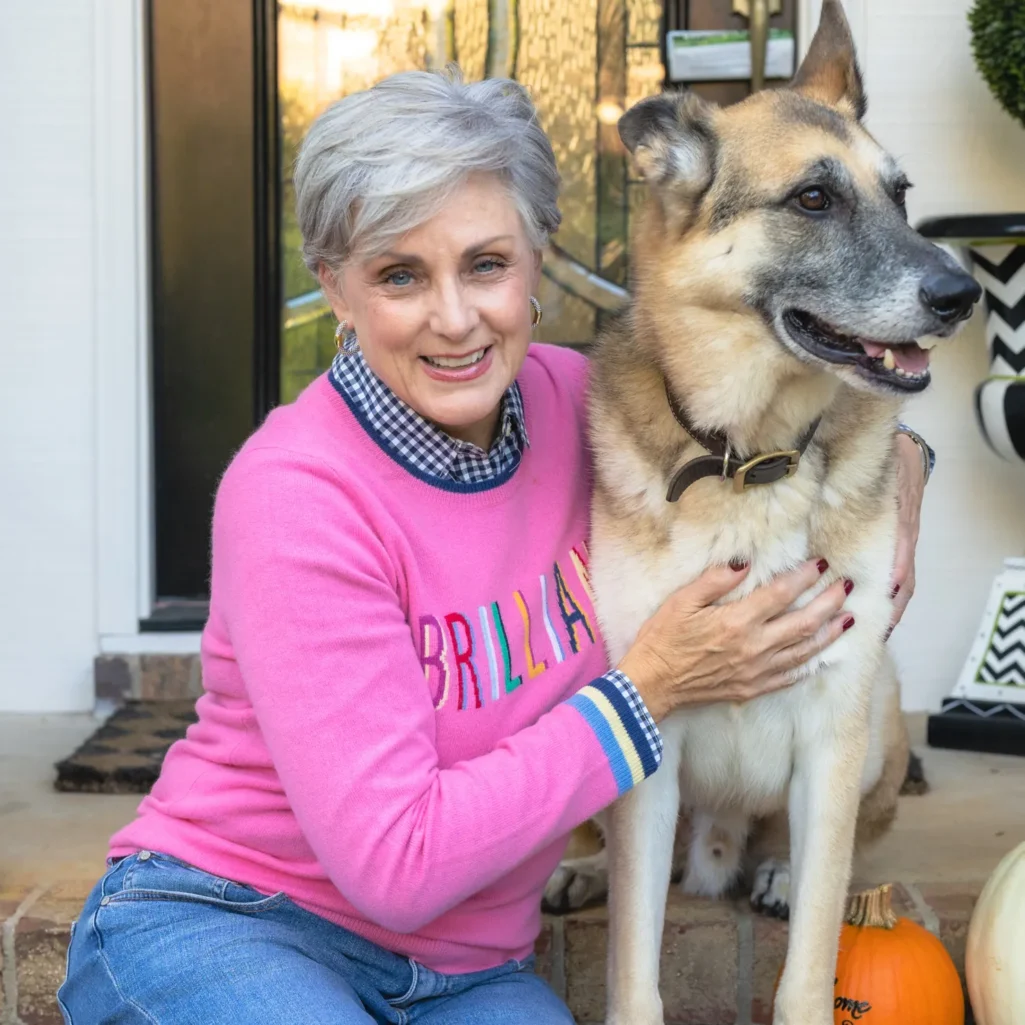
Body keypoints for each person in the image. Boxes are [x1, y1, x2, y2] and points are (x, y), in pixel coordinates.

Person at [58, 70, 931, 1025]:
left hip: (467, 971)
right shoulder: (294, 496)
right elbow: (396, 864)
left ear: (537, 258)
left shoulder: (591, 408)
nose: (454, 318)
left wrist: (906, 459)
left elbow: (774, 393)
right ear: (333, 288)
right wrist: (649, 691)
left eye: (485, 264)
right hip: (232, 918)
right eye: (400, 275)